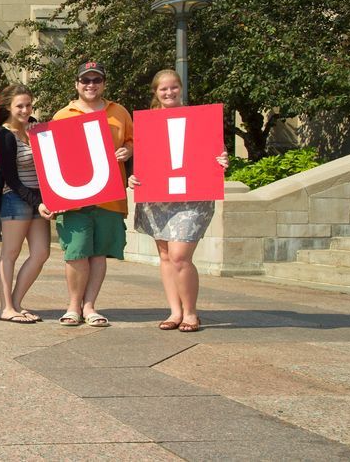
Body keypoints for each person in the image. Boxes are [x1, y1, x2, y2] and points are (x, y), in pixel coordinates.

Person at [129, 69, 228, 332]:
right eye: (163, 89)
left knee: (180, 255)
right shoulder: (148, 122)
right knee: (164, 255)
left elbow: (215, 149)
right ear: (156, 93)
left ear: (180, 88)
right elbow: (144, 160)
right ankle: (175, 312)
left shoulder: (199, 119)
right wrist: (133, 178)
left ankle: (191, 312)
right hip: (157, 198)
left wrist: (222, 159)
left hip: (192, 198)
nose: (169, 92)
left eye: (173, 87)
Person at [38, 61, 132, 328]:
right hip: (74, 199)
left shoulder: (119, 112)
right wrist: (50, 196)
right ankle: (72, 305)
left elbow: (133, 140)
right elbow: (51, 159)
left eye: (96, 80)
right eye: (86, 81)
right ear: (77, 84)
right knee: (76, 252)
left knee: (99, 253)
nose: (91, 85)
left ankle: (90, 306)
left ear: (103, 83)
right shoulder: (62, 115)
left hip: (109, 197)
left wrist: (128, 150)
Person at [0, 85, 49, 324]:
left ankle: (15, 302)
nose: (25, 110)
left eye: (28, 105)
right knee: (10, 253)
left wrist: (40, 134)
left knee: (41, 253)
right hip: (15, 198)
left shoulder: (36, 128)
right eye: (20, 106)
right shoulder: (4, 135)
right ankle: (6, 307)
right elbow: (11, 178)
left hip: (38, 199)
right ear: (8, 108)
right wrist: (37, 201)